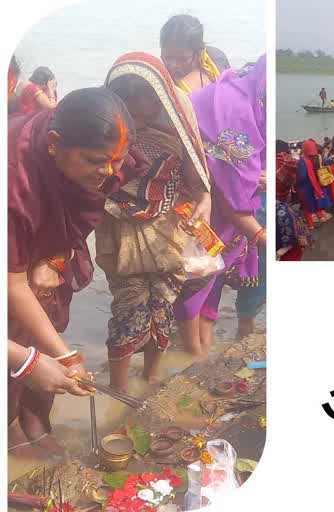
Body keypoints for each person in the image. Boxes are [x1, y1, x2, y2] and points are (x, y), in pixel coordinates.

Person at [8, 87, 133, 458]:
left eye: (116, 161)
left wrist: (58, 258)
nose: (108, 172)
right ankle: (11, 425)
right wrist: (36, 361)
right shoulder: (13, 181)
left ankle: (33, 420)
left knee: (45, 328)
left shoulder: (99, 157)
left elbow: (79, 218)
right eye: (97, 161)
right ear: (53, 144)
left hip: (36, 261)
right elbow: (12, 283)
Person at [100, 53, 212, 390]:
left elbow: (200, 184)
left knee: (161, 309)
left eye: (145, 94)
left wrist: (205, 202)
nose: (136, 104)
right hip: (122, 239)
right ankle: (119, 388)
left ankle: (151, 374)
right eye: (126, 95)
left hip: (167, 236)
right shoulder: (104, 136)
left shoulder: (176, 136)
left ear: (161, 97)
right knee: (127, 312)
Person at [175, 56, 267, 355]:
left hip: (226, 214)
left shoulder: (255, 100)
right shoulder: (235, 109)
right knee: (197, 277)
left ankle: (204, 344)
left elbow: (248, 170)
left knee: (214, 277)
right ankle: (192, 351)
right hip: (201, 205)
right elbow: (232, 190)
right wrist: (259, 235)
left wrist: (259, 175)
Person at [160, 14, 230, 94]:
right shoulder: (158, 84)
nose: (174, 65)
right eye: (168, 57)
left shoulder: (218, 60)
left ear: (199, 53)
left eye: (183, 59)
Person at [296, 139, 333, 229]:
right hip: (317, 186)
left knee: (306, 206)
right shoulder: (319, 157)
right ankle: (321, 217)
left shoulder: (302, 161)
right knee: (316, 203)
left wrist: (296, 184)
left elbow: (302, 176)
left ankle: (311, 225)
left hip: (306, 187)